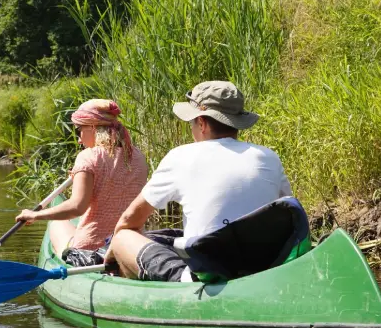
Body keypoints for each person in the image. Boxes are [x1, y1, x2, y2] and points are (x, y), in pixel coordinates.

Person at [105, 81, 292, 282]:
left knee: (123, 236)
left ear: (202, 123)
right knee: (169, 236)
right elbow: (288, 211)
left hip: (207, 275)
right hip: (262, 267)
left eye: (192, 123)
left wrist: (114, 251)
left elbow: (129, 220)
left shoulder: (181, 157)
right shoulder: (269, 157)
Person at [15, 99, 148, 264]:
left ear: (92, 127)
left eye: (78, 130)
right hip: (131, 248)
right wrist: (82, 176)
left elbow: (77, 207)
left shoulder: (88, 156)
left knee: (57, 223)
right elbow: (114, 185)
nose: (78, 139)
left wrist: (35, 215)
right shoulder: (139, 157)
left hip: (91, 250)